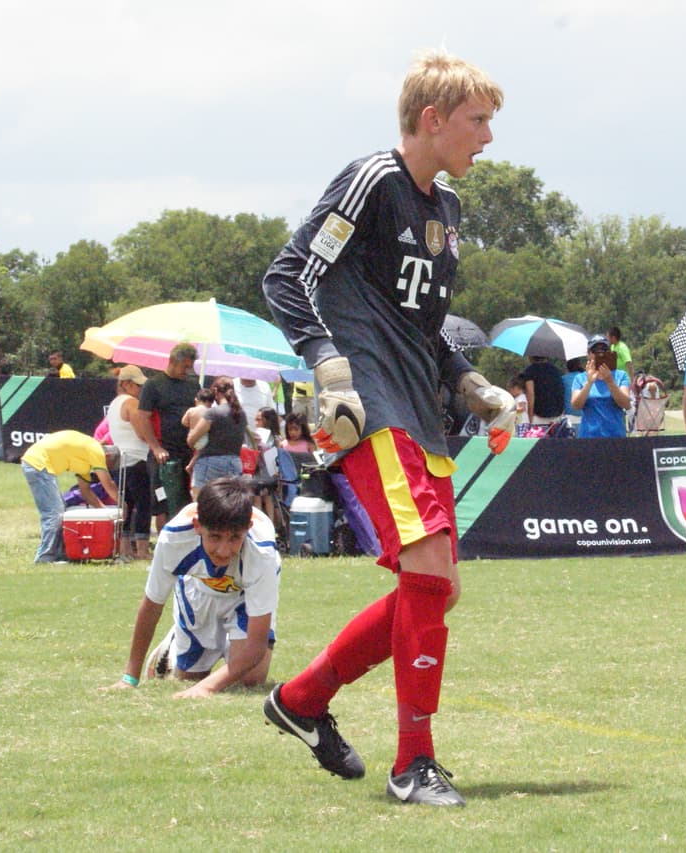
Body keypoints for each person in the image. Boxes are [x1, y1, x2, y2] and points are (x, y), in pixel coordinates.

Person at [261, 50, 514, 808]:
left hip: (420, 410)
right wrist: (329, 368)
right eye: (478, 121)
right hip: (368, 406)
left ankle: (303, 696)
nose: (489, 139)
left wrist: (471, 386)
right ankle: (415, 763)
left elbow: (422, 332)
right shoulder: (374, 181)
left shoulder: (449, 212)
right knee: (430, 576)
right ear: (431, 121)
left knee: (434, 588)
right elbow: (289, 274)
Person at [105, 477, 279, 698]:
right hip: (198, 591)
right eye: (214, 537)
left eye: (235, 538)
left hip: (243, 596)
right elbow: (151, 605)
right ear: (198, 526)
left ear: (248, 528)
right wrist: (130, 678)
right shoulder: (173, 540)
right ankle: (173, 645)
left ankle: (231, 645)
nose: (223, 550)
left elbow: (256, 645)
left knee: (250, 680)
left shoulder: (262, 553)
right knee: (189, 678)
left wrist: (207, 687)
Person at [21, 430, 120, 563]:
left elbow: (85, 492)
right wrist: (123, 506)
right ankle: (44, 558)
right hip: (38, 463)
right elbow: (109, 485)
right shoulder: (97, 451)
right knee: (54, 514)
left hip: (38, 463)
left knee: (60, 511)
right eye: (110, 466)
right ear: (107, 456)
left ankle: (62, 554)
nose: (107, 469)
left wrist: (104, 512)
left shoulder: (85, 459)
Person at [132, 343, 200, 526]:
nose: (187, 370)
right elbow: (143, 417)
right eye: (184, 366)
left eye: (190, 366)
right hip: (164, 453)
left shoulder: (193, 385)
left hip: (188, 451)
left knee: (187, 501)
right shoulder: (153, 385)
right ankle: (164, 543)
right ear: (172, 361)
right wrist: (155, 447)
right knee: (161, 502)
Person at [107, 365, 153, 560]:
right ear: (126, 384)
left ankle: (125, 548)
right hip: (136, 460)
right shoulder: (131, 403)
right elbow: (142, 433)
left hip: (121, 461)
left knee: (126, 505)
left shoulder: (114, 404)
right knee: (144, 505)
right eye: (138, 385)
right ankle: (142, 550)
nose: (141, 390)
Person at [185, 378, 247, 497]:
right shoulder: (241, 414)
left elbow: (191, 439)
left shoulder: (213, 413)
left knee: (202, 504)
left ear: (215, 390)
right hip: (234, 462)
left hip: (210, 463)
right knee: (229, 505)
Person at [571, 335, 631, 438]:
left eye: (604, 350)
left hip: (615, 437)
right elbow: (576, 405)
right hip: (588, 437)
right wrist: (589, 383)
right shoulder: (580, 378)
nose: (600, 353)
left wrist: (610, 382)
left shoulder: (621, 376)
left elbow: (626, 404)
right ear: (588, 354)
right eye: (595, 351)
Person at [521, 355, 565, 426]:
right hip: (556, 415)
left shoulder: (530, 371)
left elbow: (530, 394)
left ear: (531, 357)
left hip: (538, 415)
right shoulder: (555, 370)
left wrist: (529, 417)